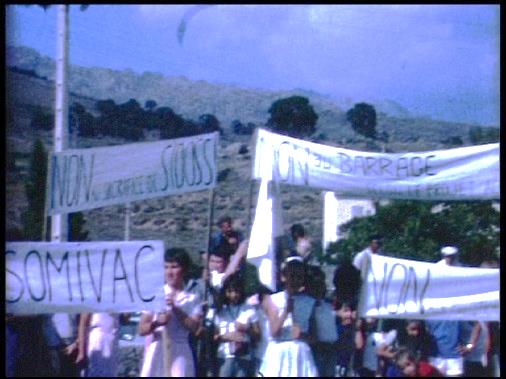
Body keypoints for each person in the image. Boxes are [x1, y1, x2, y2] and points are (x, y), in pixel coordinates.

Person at [138, 248, 202, 377]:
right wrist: (156, 323)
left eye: (174, 267)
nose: (169, 272)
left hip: (180, 350)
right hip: (158, 348)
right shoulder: (156, 294)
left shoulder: (193, 298)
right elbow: (141, 329)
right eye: (166, 267)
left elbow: (195, 328)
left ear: (184, 269)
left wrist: (175, 309)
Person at [258, 259, 318, 377]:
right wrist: (286, 311)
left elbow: (314, 336)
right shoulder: (273, 300)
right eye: (292, 276)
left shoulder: (310, 301)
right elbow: (274, 332)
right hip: (279, 351)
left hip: (300, 352)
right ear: (284, 277)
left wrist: (302, 335)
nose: (296, 280)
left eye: (299, 277)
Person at [214, 273, 260, 377]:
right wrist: (226, 337)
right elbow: (213, 337)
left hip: (244, 357)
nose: (234, 295)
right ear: (225, 292)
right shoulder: (221, 311)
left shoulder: (248, 309)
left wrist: (247, 329)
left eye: (236, 291)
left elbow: (258, 335)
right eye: (230, 291)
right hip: (224, 357)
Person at [306, 265, 338, 377]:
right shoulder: (308, 305)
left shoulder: (327, 305)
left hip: (331, 350)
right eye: (317, 284)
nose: (321, 286)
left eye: (322, 283)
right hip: (317, 351)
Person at [77, 312, 120, 377]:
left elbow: (125, 319)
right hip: (98, 340)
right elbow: (83, 323)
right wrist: (81, 352)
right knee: (96, 370)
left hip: (112, 340)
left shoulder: (116, 302)